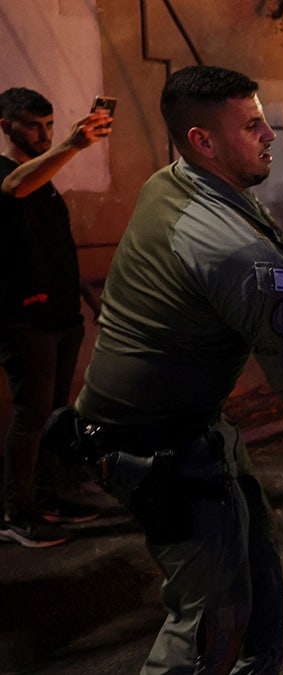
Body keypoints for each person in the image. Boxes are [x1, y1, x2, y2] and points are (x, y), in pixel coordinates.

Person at [73, 65, 283, 673]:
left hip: (185, 430)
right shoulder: (232, 251)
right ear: (203, 140)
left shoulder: (179, 183)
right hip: (160, 450)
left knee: (255, 588)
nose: (271, 134)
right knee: (207, 626)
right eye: (253, 124)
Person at [0, 88, 109, 547]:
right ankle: (15, 515)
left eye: (49, 125)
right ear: (6, 126)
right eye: (32, 125)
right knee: (31, 414)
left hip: (62, 315)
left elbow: (57, 249)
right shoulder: (11, 174)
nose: (43, 134)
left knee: (52, 414)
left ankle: (45, 499)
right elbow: (12, 187)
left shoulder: (45, 177)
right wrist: (72, 144)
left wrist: (89, 297)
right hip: (27, 319)